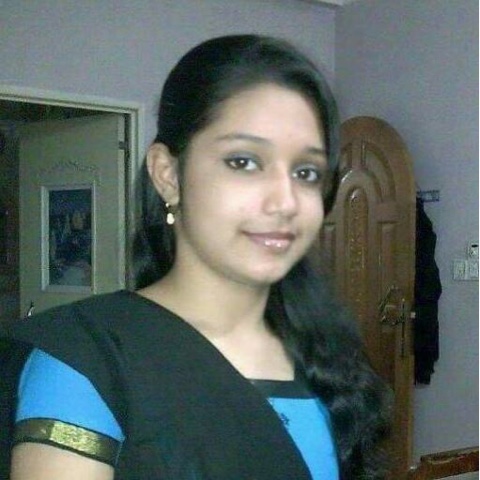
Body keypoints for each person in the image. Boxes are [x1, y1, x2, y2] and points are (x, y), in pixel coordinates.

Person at [1, 34, 392, 480]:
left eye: (306, 172)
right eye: (244, 162)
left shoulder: (327, 359)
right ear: (168, 174)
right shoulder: (88, 360)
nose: (285, 201)